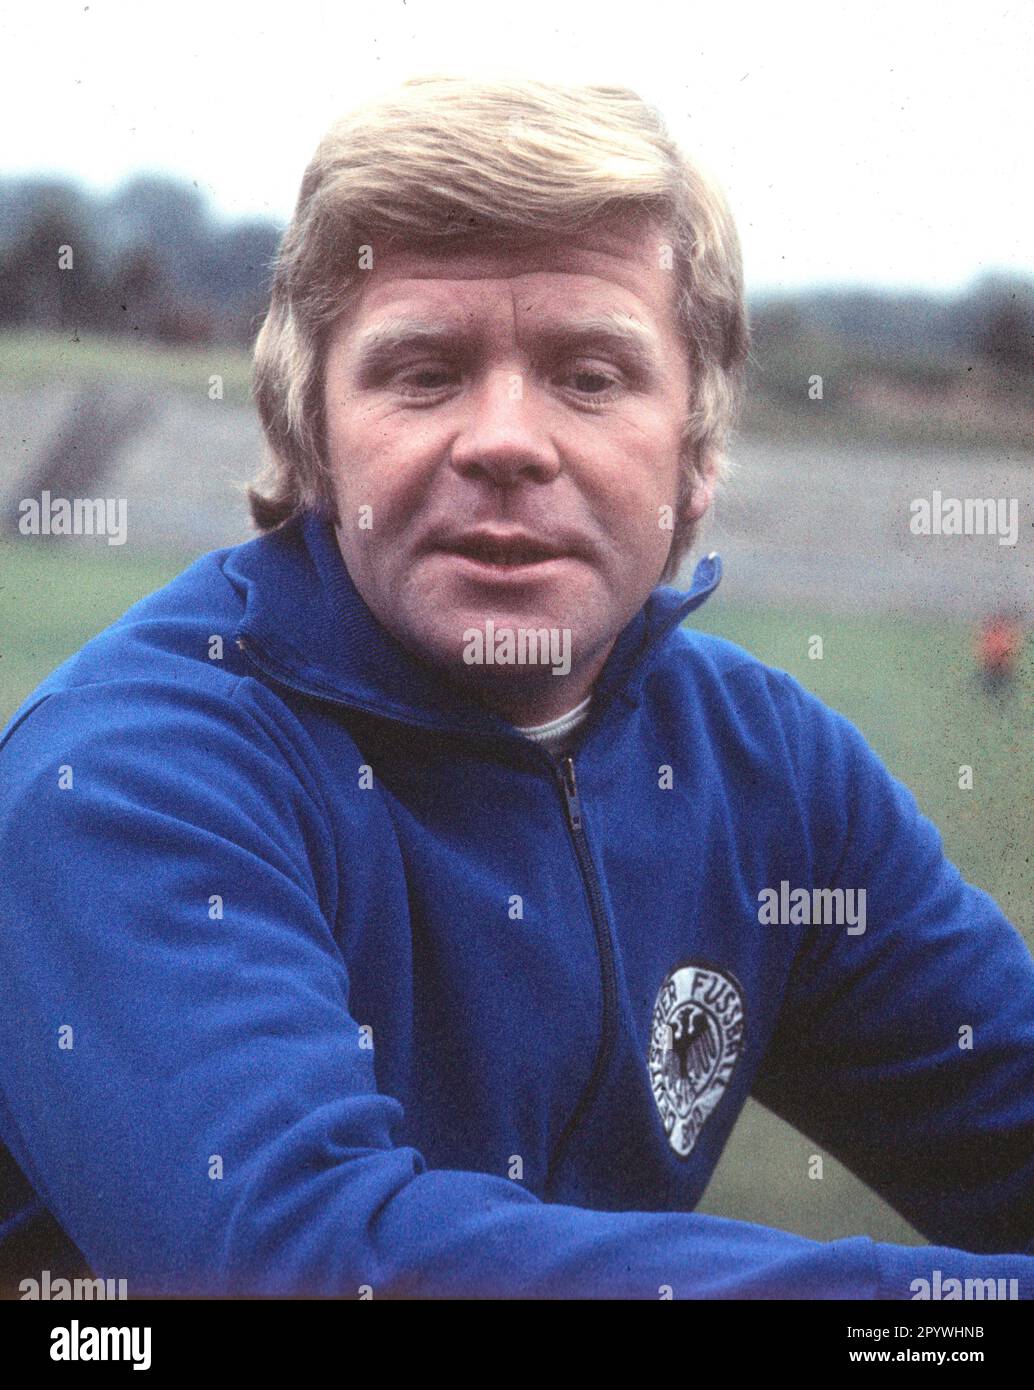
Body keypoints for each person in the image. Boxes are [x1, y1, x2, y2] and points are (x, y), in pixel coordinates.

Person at [1, 74, 1033, 1301]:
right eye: (424, 371)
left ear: (696, 454)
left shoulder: (766, 766)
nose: (505, 438)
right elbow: (305, 1260)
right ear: (307, 436)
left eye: (589, 375)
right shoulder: (128, 776)